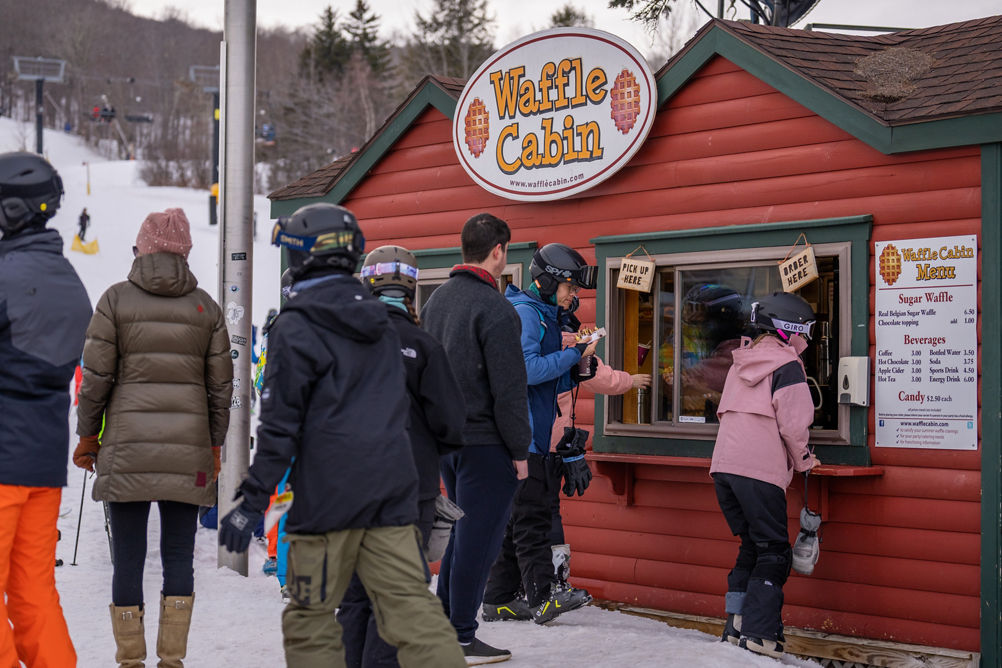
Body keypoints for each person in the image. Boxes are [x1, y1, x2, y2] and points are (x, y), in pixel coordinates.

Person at [217, 203, 465, 668]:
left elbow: (279, 429)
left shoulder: (296, 326)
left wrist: (251, 503)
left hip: (331, 501)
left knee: (322, 620)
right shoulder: (383, 327)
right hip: (394, 495)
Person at [74, 207, 232, 668]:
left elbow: (95, 379)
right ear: (185, 253)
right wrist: (215, 445)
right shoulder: (206, 307)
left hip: (126, 450)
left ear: (140, 250)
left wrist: (88, 436)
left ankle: (130, 660)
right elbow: (220, 387)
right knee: (179, 556)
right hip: (189, 452)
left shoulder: (115, 301)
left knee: (128, 560)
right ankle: (172, 660)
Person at [338, 244, 466, 668]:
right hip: (407, 490)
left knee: (356, 598)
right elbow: (451, 422)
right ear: (411, 289)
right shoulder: (422, 345)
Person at [420, 213, 532, 664]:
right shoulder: (496, 309)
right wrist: (521, 451)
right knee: (479, 541)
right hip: (487, 442)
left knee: (462, 536)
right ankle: (461, 636)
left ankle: (446, 625)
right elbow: (509, 391)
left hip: (445, 441)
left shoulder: (436, 302)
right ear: (499, 250)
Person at [0, 152, 90, 668]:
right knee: (33, 590)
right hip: (42, 464)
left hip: (4, 457)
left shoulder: (7, 275)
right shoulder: (68, 279)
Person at [480, 242, 600, 626]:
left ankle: (497, 600)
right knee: (532, 520)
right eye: (569, 286)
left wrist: (579, 367)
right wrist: (573, 354)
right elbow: (527, 370)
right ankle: (542, 597)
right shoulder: (526, 314)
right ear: (548, 280)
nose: (573, 295)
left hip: (537, 435)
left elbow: (547, 377)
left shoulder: (546, 314)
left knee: (517, 522)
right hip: (522, 435)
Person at [710, 291, 821, 659]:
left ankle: (737, 624)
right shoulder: (786, 366)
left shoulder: (740, 363)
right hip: (759, 471)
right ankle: (760, 634)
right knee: (774, 551)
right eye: (803, 330)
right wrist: (805, 461)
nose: (805, 339)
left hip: (724, 467)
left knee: (751, 546)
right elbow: (794, 425)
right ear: (789, 328)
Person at [547, 321, 652, 592]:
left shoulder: (534, 335)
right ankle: (553, 584)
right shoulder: (570, 344)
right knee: (547, 515)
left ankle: (516, 586)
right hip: (550, 443)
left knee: (525, 515)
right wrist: (631, 380)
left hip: (530, 441)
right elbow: (598, 378)